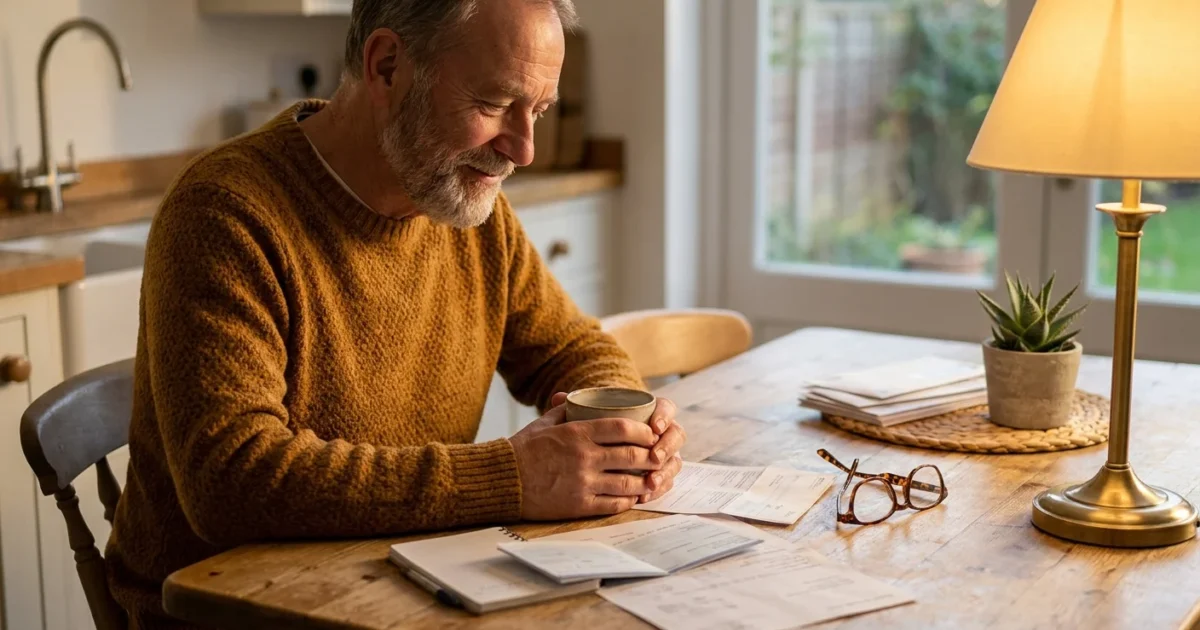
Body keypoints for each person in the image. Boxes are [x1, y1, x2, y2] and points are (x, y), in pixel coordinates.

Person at [104, 0, 686, 626]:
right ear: (386, 66)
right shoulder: (225, 213)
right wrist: (510, 476)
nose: (524, 149)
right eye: (493, 105)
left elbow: (571, 348)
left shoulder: (466, 208)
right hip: (230, 611)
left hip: (400, 584)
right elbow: (232, 480)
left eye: (538, 110)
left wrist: (623, 430)